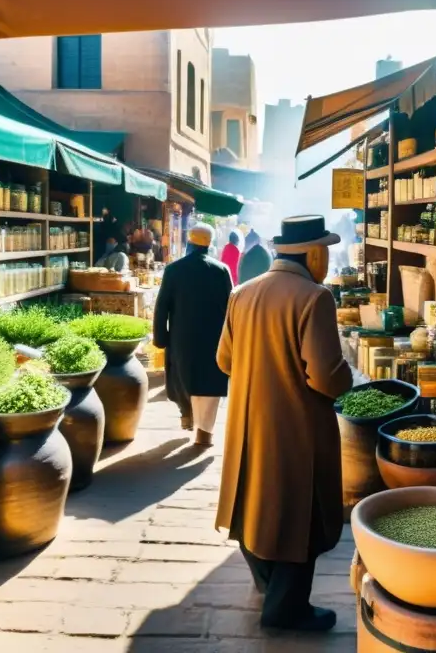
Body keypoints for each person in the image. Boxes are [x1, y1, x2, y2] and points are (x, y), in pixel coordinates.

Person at [216, 215, 352, 632]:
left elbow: (225, 360)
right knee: (300, 511)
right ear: (312, 253)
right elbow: (326, 378)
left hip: (246, 420)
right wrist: (347, 377)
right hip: (296, 425)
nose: (327, 259)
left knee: (252, 500)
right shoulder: (315, 297)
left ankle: (268, 582)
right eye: (325, 250)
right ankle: (286, 609)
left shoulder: (242, 293)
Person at [153, 223, 232, 444]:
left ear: (189, 242)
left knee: (183, 377)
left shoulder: (174, 269)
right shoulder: (221, 270)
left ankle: (186, 414)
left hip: (181, 338)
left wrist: (161, 338)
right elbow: (231, 310)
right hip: (213, 340)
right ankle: (204, 433)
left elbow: (162, 307)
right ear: (210, 245)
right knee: (209, 383)